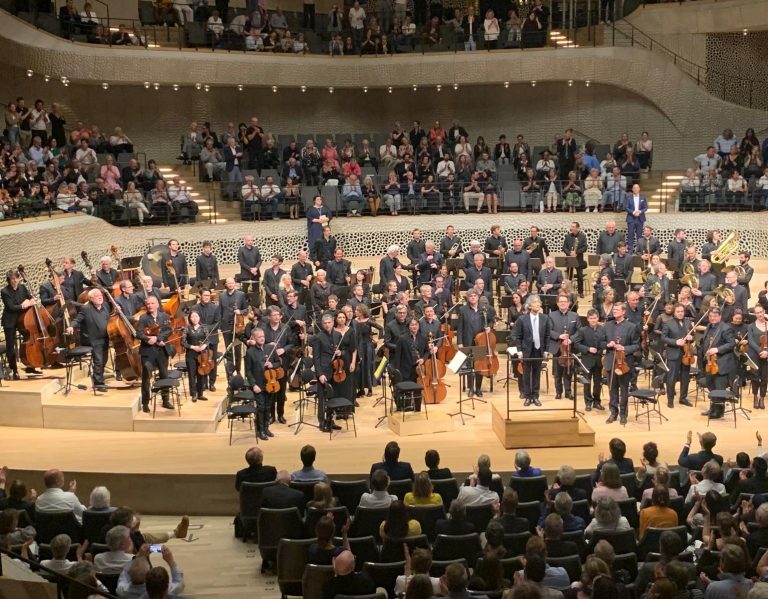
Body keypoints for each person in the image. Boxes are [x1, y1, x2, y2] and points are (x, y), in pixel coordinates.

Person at [603, 302, 640, 425]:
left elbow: (636, 345)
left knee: (624, 390)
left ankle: (623, 414)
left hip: (624, 363)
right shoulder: (607, 325)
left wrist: (624, 348)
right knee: (612, 389)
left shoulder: (631, 327)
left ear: (623, 312)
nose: (614, 311)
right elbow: (601, 342)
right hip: (611, 361)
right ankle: (613, 413)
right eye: (614, 310)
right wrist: (607, 344)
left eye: (617, 310)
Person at [510, 294, 550, 407]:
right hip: (526, 350)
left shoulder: (545, 318)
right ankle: (527, 396)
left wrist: (546, 350)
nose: (537, 304)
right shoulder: (522, 319)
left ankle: (535, 396)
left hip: (539, 350)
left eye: (539, 302)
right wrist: (519, 350)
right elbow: (517, 336)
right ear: (529, 306)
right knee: (526, 374)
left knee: (537, 374)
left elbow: (547, 336)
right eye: (535, 302)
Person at [66, 288, 109, 392]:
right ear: (91, 298)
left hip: (105, 338)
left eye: (101, 295)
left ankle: (98, 378)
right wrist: (71, 326)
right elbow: (77, 320)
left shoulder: (105, 307)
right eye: (97, 296)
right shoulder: (86, 309)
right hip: (93, 339)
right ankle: (98, 383)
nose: (100, 297)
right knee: (99, 361)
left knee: (104, 360)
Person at [457, 289, 497, 398]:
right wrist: (459, 342)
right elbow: (460, 327)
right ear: (468, 298)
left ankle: (478, 388)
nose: (473, 297)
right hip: (468, 341)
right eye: (470, 296)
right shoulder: (463, 310)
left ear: (478, 297)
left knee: (480, 365)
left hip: (481, 341)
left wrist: (489, 327)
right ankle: (471, 388)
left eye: (474, 295)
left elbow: (492, 320)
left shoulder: (485, 308)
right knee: (470, 366)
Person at [136, 295, 172, 413]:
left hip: (161, 351)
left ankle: (165, 400)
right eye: (148, 304)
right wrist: (147, 339)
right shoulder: (143, 318)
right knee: (146, 378)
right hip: (148, 352)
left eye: (152, 303)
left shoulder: (164, 316)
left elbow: (169, 330)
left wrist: (157, 338)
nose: (150, 305)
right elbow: (138, 333)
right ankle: (145, 403)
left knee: (164, 375)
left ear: (157, 304)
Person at [1, 269, 37, 378]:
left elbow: (31, 298)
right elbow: (11, 307)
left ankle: (31, 365)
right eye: (12, 279)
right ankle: (14, 370)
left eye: (16, 278)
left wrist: (31, 300)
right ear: (9, 280)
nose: (15, 280)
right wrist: (24, 305)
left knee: (29, 340)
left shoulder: (23, 288)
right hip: (10, 320)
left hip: (23, 319)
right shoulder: (4, 291)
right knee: (11, 345)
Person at [573, 308, 606, 411]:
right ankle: (588, 402)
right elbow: (576, 344)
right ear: (587, 319)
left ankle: (597, 402)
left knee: (598, 383)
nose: (593, 320)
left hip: (599, 360)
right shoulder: (582, 330)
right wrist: (588, 349)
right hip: (587, 360)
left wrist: (604, 349)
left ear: (598, 318)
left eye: (595, 318)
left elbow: (605, 342)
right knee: (587, 383)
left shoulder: (603, 329)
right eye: (591, 318)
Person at [547, 294, 580, 401]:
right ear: (557, 303)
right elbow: (548, 330)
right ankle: (558, 392)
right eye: (560, 301)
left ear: (569, 303)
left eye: (565, 301)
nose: (563, 303)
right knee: (557, 372)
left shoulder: (575, 315)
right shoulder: (551, 315)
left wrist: (571, 339)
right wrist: (559, 336)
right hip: (557, 347)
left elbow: (579, 331)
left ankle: (568, 392)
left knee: (569, 371)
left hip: (570, 347)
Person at [244, 327, 273, 441]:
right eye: (259, 337)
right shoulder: (250, 352)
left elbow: (277, 363)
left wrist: (272, 365)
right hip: (258, 385)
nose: (262, 338)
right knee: (261, 408)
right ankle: (260, 430)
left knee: (268, 407)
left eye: (263, 336)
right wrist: (253, 385)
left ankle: (266, 428)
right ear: (254, 338)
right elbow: (248, 371)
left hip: (270, 383)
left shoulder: (270, 348)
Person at [219, 277, 248, 373]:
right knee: (228, 351)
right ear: (226, 284)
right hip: (226, 327)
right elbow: (220, 311)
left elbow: (246, 309)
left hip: (238, 327)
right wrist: (220, 325)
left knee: (238, 351)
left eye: (232, 283)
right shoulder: (222, 296)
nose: (231, 285)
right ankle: (230, 372)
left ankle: (238, 371)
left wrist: (240, 311)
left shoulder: (241, 294)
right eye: (229, 283)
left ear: (235, 283)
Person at [181, 311, 210, 403]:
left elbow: (208, 340)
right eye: (192, 317)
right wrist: (193, 347)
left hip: (202, 354)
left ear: (199, 317)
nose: (195, 318)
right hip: (191, 354)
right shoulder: (187, 328)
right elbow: (183, 342)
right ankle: (194, 394)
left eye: (196, 316)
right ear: (190, 318)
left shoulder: (204, 327)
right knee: (192, 375)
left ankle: (200, 394)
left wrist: (204, 345)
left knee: (201, 373)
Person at [562, 222, 587, 297]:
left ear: (577, 228)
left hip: (578, 259)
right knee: (569, 277)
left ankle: (580, 292)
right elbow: (564, 247)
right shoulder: (568, 236)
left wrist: (577, 252)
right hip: (569, 259)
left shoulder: (582, 236)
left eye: (573, 227)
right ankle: (568, 291)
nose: (571, 228)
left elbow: (585, 247)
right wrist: (569, 253)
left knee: (580, 276)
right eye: (571, 226)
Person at [624, 183, 648, 252]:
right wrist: (633, 212)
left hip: (640, 219)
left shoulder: (643, 197)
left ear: (639, 189)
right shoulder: (628, 197)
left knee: (639, 236)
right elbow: (626, 207)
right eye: (634, 188)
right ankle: (630, 251)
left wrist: (640, 212)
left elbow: (646, 207)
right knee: (630, 235)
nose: (635, 189)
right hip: (631, 218)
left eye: (637, 188)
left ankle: (639, 251)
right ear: (632, 189)